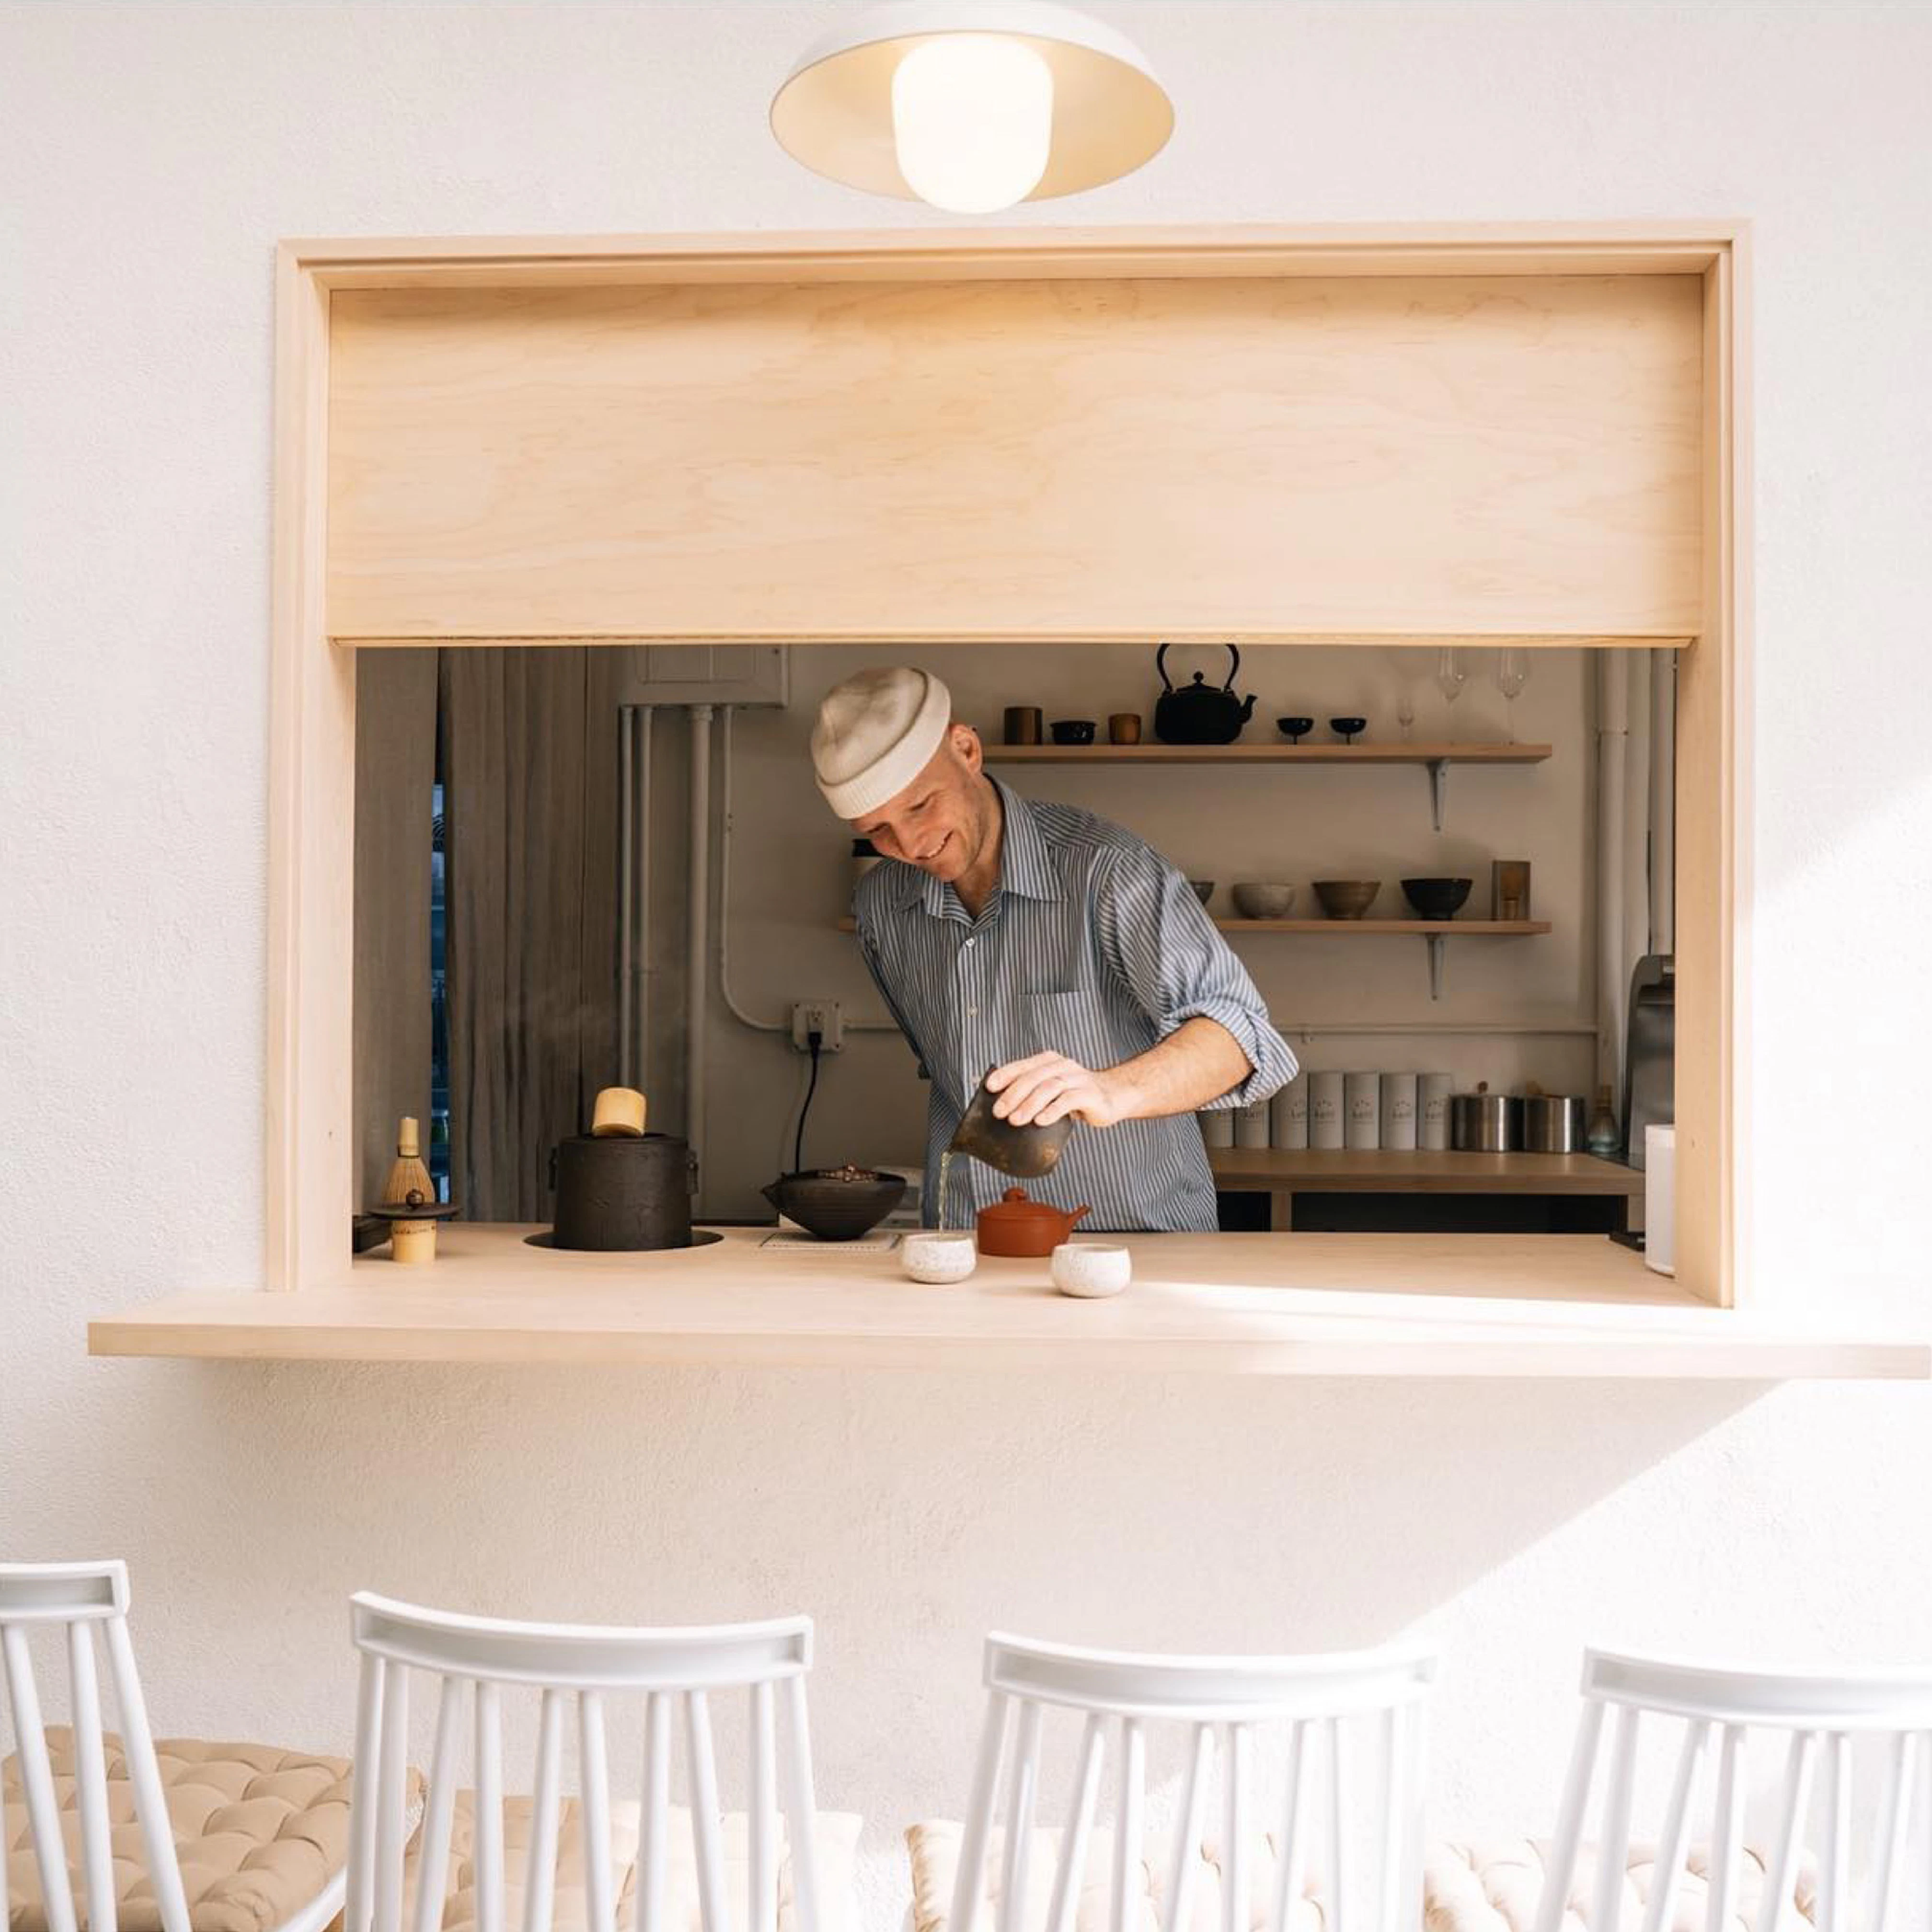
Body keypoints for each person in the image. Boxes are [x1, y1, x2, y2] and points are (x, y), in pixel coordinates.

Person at [811, 666, 1296, 1232]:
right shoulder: (881, 907)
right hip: (969, 1242)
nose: (911, 845)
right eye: (878, 830)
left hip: (1134, 1244)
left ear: (966, 750)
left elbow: (1241, 1038)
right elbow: (940, 1063)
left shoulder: (1109, 871)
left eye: (920, 806)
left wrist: (1109, 1090)